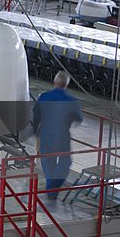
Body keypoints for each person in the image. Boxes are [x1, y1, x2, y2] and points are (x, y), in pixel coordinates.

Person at [32, 70, 83, 199]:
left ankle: (51, 188)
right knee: (65, 162)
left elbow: (35, 116)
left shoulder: (43, 97)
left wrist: (35, 133)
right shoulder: (71, 100)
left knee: (48, 162)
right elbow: (78, 118)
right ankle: (53, 187)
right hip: (62, 137)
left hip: (46, 136)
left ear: (54, 82)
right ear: (66, 85)